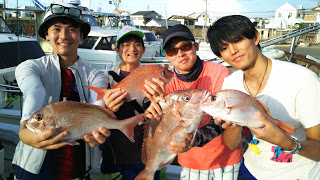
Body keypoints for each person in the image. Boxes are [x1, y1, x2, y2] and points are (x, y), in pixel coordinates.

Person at [207, 15, 320, 180]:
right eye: (224, 48)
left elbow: (318, 152)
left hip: (297, 175)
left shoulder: (302, 79)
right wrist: (232, 122)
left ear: (256, 37)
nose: (233, 51)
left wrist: (286, 142)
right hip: (250, 171)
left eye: (237, 40)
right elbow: (231, 144)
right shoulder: (230, 84)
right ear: (221, 57)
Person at [12, 2, 110, 180]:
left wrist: (99, 128)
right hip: (32, 173)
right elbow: (34, 91)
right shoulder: (31, 67)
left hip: (78, 173)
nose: (64, 36)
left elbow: (98, 104)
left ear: (81, 36)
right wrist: (25, 127)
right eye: (56, 29)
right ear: (47, 35)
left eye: (72, 29)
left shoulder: (96, 75)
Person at [146, 24, 244, 179]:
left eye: (185, 46)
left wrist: (194, 139)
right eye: (172, 50)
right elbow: (154, 118)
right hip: (190, 161)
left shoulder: (219, 72)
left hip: (226, 158)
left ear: (196, 46)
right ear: (167, 56)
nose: (180, 54)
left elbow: (224, 118)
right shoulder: (165, 83)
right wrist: (150, 105)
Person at [100, 26, 166, 180]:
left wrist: (159, 102)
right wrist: (108, 108)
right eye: (126, 44)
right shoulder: (105, 79)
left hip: (147, 155)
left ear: (143, 50)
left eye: (137, 44)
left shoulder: (155, 77)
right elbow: (97, 115)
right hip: (115, 157)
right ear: (117, 50)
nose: (132, 48)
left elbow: (163, 117)